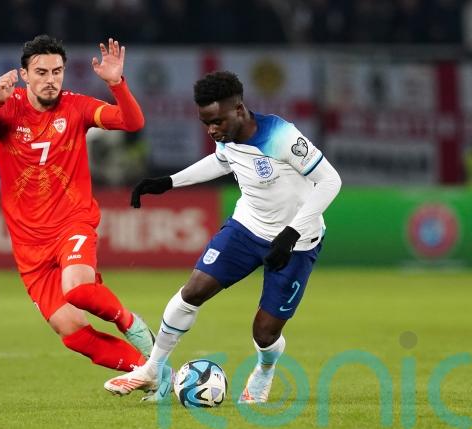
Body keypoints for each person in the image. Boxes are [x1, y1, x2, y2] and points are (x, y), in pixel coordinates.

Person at [104, 71, 341, 402]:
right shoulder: (227, 136)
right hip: (246, 228)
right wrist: (169, 182)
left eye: (217, 121)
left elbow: (330, 181)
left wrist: (291, 233)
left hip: (296, 243)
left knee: (265, 333)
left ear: (239, 109)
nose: (212, 130)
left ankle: (265, 370)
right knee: (193, 291)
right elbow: (221, 161)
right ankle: (152, 368)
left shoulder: (281, 136)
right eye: (206, 123)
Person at [0, 35, 155, 374]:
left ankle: (131, 324)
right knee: (71, 332)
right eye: (41, 72)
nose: (50, 80)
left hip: (72, 222)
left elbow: (132, 122)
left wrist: (116, 84)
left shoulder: (77, 106)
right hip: (29, 244)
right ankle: (152, 373)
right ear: (24, 74)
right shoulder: (6, 108)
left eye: (57, 72)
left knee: (78, 289)